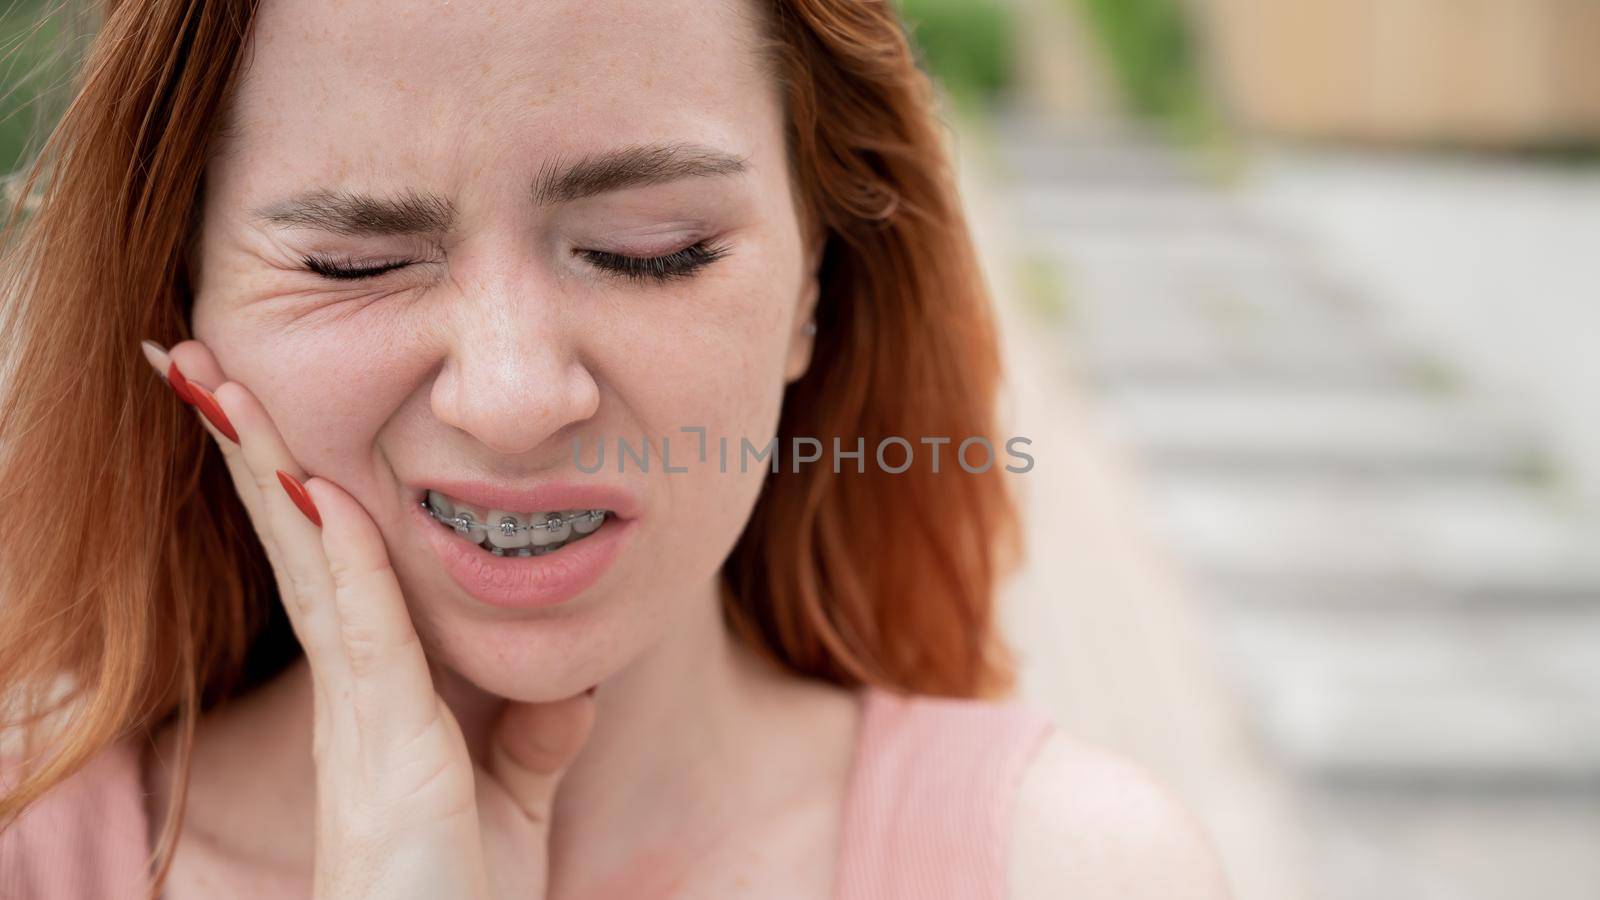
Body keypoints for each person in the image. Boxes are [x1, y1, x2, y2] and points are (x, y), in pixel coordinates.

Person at [0, 0, 1232, 897]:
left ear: (819, 281)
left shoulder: (1069, 867)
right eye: (355, 266)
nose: (515, 396)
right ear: (178, 297)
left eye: (650, 248)